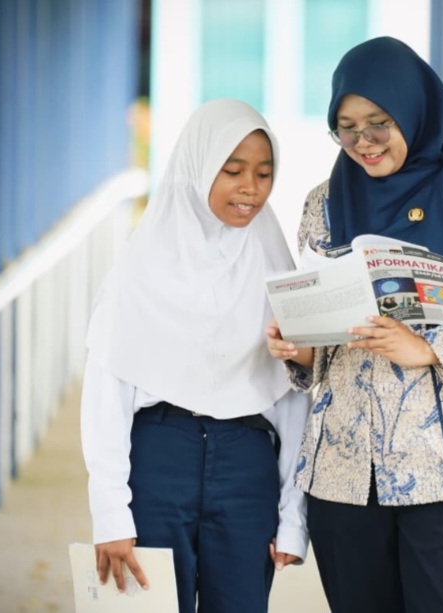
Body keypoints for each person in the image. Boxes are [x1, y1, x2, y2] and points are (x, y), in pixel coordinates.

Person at [266, 37, 443, 613]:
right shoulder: (323, 203)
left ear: (415, 110)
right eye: (346, 128)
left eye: (378, 122)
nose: (363, 142)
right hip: (346, 479)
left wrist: (432, 351)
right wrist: (298, 350)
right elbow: (327, 339)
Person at [81, 98, 310, 613]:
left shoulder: (276, 269)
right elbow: (106, 396)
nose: (250, 187)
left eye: (264, 173)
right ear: (197, 167)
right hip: (160, 460)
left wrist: (294, 518)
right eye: (232, 171)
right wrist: (111, 515)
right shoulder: (136, 274)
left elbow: (296, 401)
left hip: (248, 466)